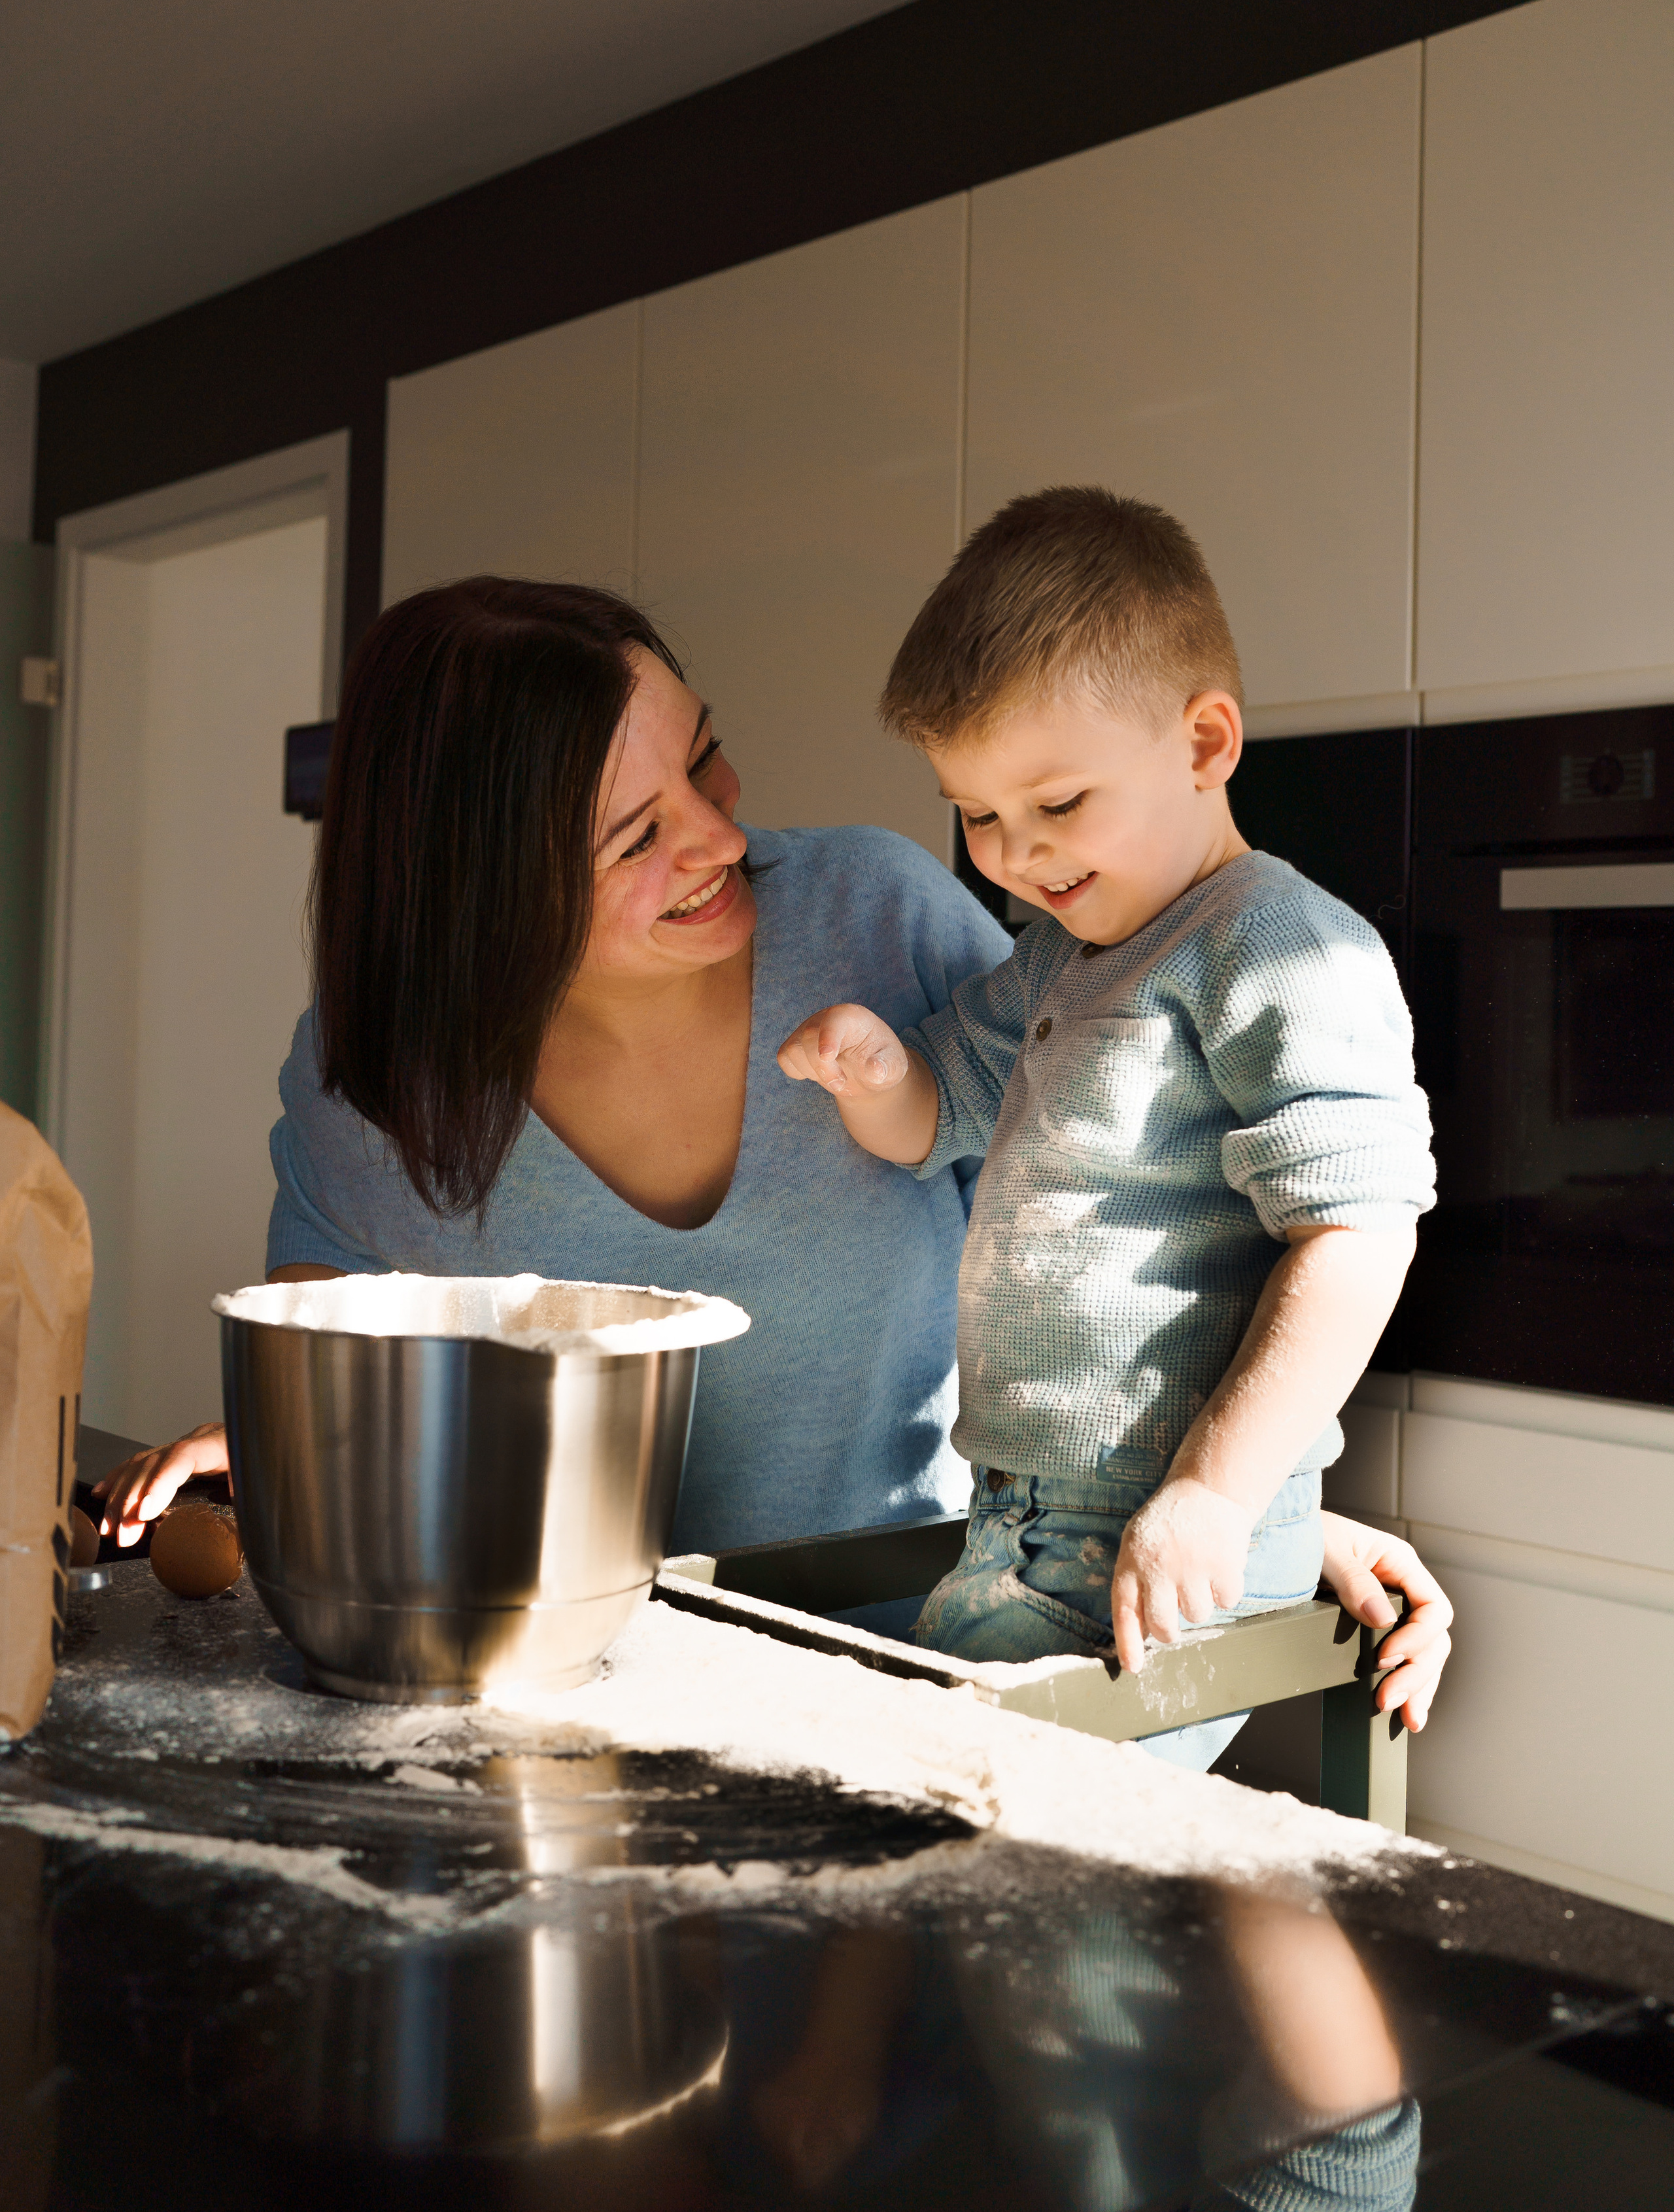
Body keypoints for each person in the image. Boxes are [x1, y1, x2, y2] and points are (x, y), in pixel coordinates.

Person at [94, 569, 1452, 1736]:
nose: (722, 833)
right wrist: (296, 1444)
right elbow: (346, 1362)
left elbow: (1117, 1224)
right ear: (480, 901)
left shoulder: (879, 917)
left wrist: (1243, 1502)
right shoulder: (373, 1065)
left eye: (704, 756)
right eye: (639, 833)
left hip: (920, 1665)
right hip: (546, 1698)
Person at [779, 489, 1436, 1767]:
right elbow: (933, 1120)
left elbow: (1357, 1236)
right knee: (938, 1872)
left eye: (1057, 802)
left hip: (1162, 1536)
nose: (1013, 854)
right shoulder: (1056, 963)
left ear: (1202, 742)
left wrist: (1217, 1491)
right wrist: (873, 1073)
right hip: (1010, 1529)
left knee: (1015, 1897)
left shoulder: (1276, 944)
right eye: (974, 814)